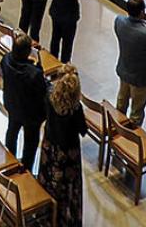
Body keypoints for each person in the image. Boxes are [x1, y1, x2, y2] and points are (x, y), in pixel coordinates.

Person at [37, 64, 85, 227]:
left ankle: (47, 212)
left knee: (48, 177)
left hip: (50, 144)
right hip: (68, 151)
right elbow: (83, 129)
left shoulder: (50, 95)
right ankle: (66, 218)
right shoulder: (75, 108)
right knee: (68, 186)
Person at [0, 32, 48, 171]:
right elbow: (42, 91)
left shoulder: (6, 60)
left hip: (12, 103)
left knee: (12, 131)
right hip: (30, 114)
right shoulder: (34, 73)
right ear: (27, 52)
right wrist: (38, 65)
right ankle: (26, 167)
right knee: (31, 141)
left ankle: (10, 159)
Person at [113, 0, 146, 126]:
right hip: (140, 78)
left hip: (124, 70)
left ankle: (117, 129)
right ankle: (130, 140)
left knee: (121, 103)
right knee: (136, 112)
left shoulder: (119, 21)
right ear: (142, 12)